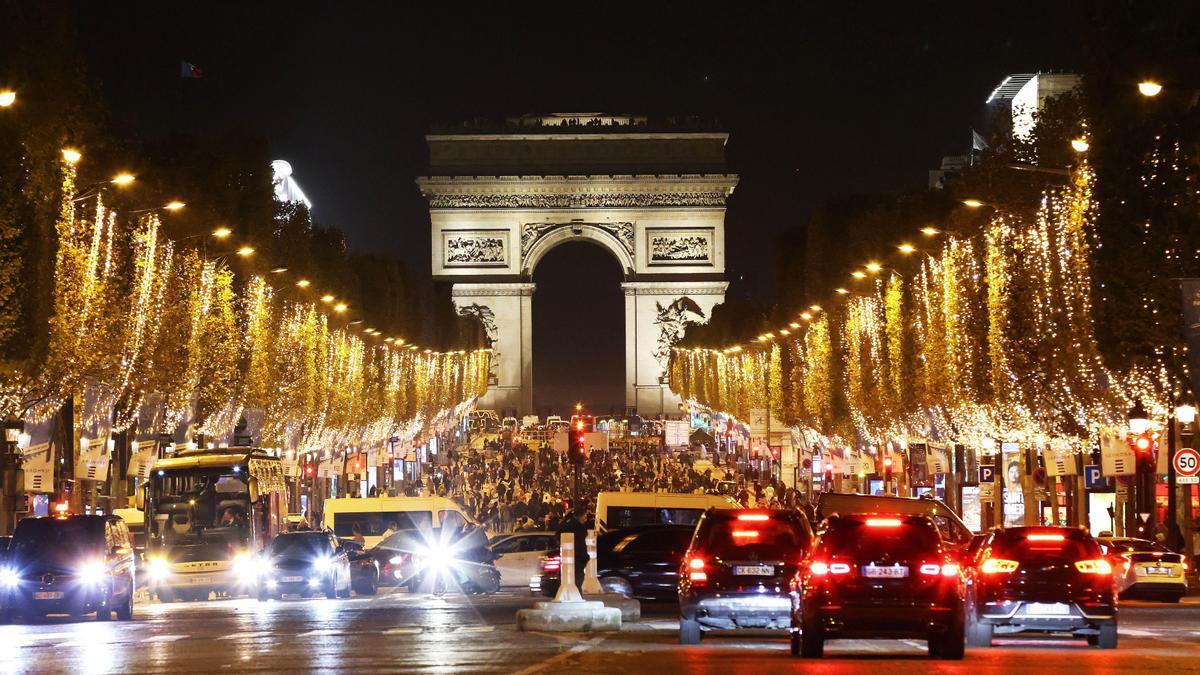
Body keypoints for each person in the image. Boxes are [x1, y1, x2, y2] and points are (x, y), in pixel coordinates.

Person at [555, 507, 590, 588]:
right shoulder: (579, 527)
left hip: (569, 558)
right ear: (581, 516)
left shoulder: (567, 525)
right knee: (577, 582)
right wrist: (585, 557)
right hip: (578, 558)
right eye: (585, 516)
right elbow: (581, 544)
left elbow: (558, 534)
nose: (586, 518)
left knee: (571, 581)